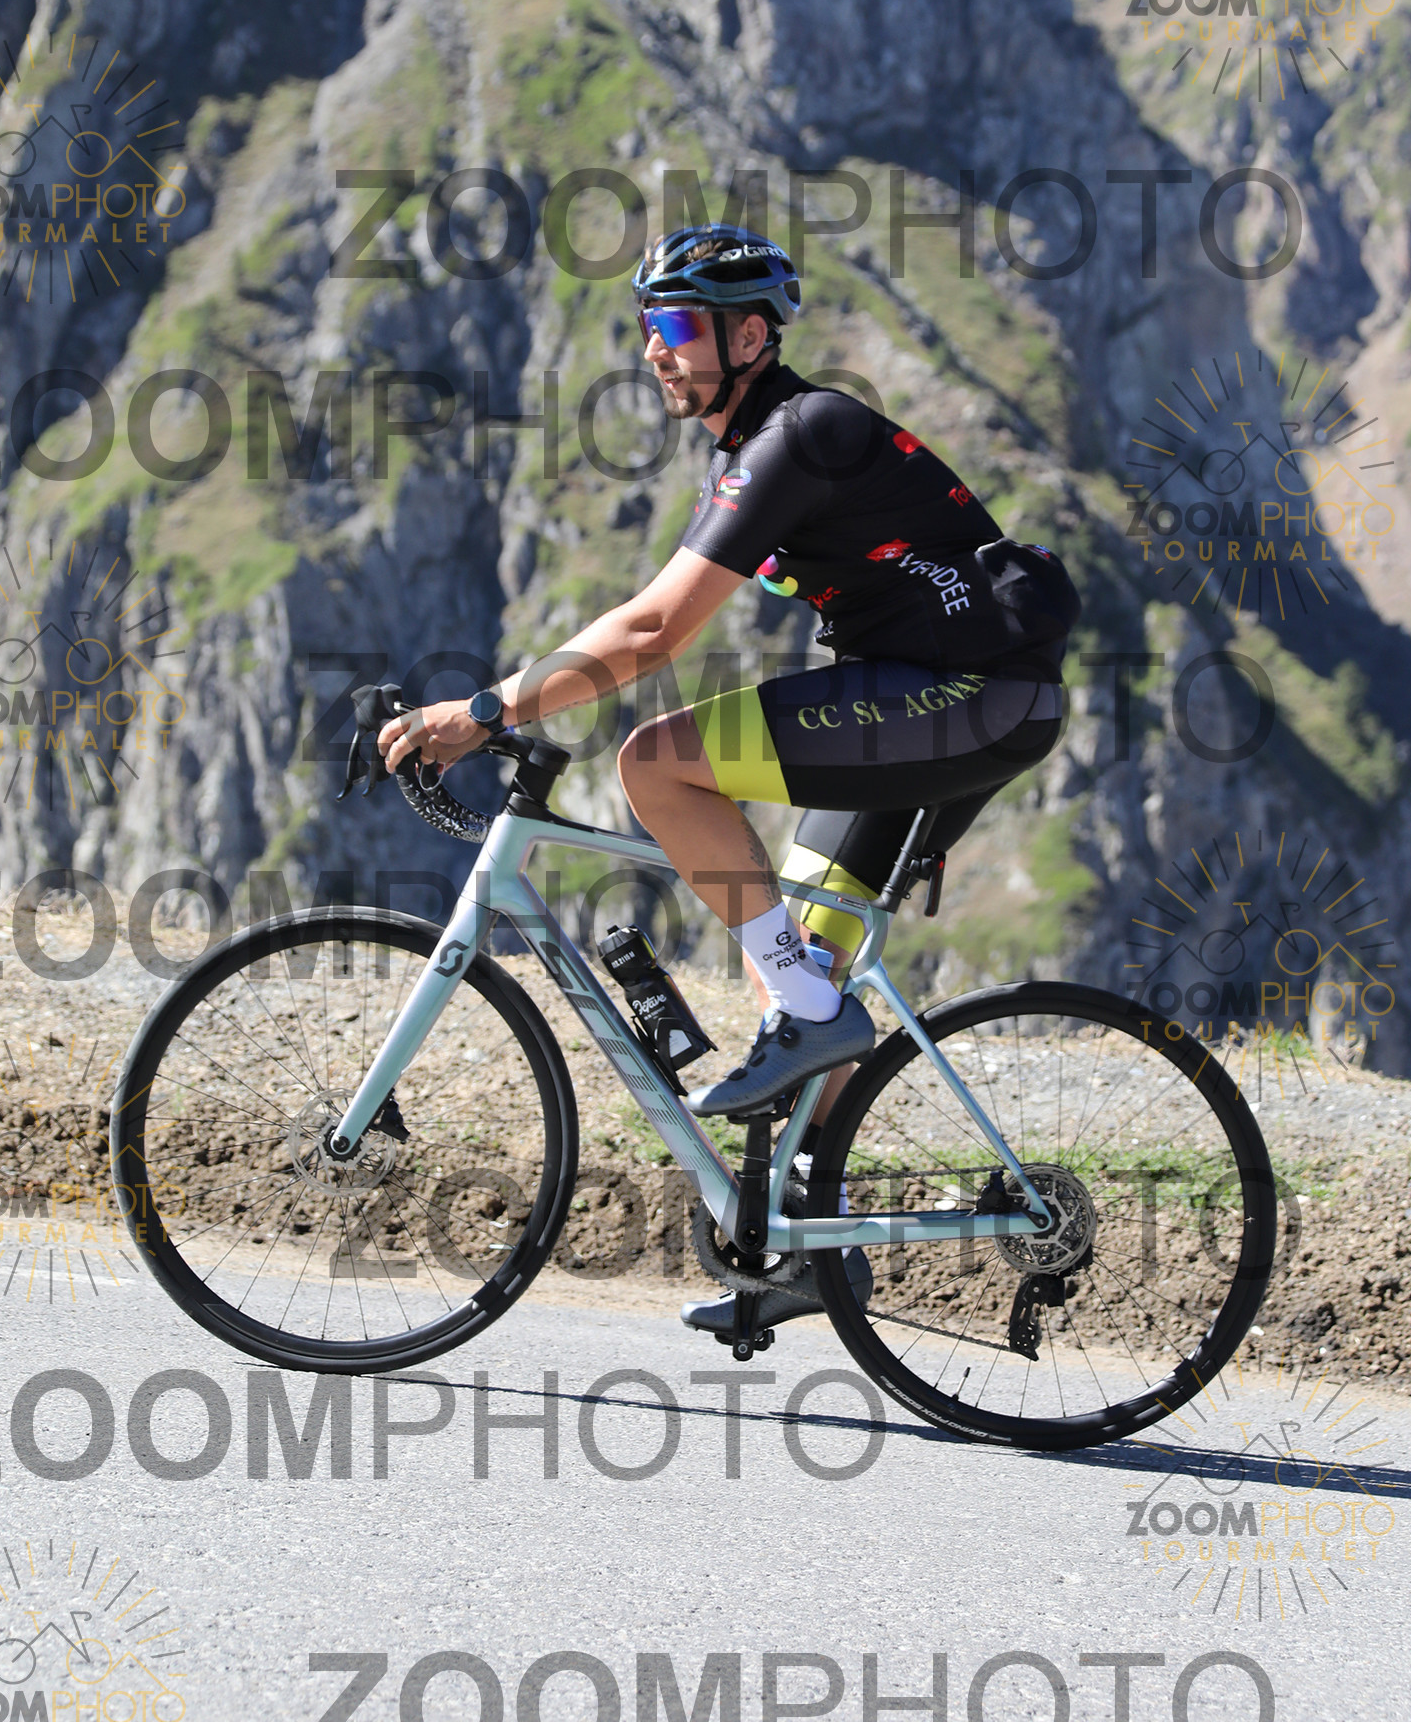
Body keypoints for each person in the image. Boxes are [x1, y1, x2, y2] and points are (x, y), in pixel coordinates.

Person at [379, 224, 1077, 1334]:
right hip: (945, 693)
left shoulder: (803, 432)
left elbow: (653, 630)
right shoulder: (760, 444)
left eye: (677, 326)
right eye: (647, 326)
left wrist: (487, 710)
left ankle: (812, 1031)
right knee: (793, 964)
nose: (655, 349)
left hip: (972, 694)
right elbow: (649, 619)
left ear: (750, 337)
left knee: (658, 764)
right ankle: (811, 1244)